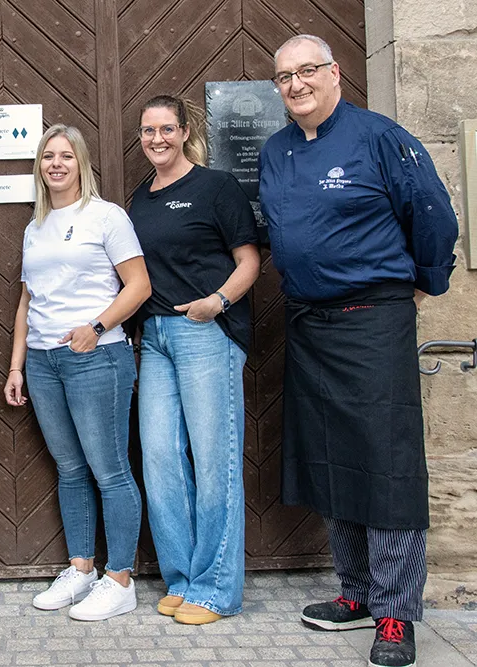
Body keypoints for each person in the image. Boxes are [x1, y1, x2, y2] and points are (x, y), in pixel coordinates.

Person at [259, 34, 457, 667]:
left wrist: (423, 283)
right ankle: (356, 594)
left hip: (374, 321)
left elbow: (433, 215)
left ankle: (396, 614)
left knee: (386, 465)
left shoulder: (381, 137)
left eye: (306, 71)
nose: (295, 84)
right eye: (284, 77)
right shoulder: (276, 151)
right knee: (329, 459)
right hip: (308, 324)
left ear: (335, 73)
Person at [3, 124, 151, 621]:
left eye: (66, 155)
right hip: (44, 362)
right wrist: (17, 365)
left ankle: (120, 579)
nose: (56, 164)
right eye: (48, 156)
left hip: (96, 356)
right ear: (39, 166)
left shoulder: (106, 216)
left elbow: (139, 286)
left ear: (81, 162)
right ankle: (82, 569)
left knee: (109, 470)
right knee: (70, 469)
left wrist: (96, 325)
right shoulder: (35, 225)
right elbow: (27, 301)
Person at [128, 95, 261, 625]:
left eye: (165, 129)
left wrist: (217, 302)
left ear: (184, 132)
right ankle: (183, 579)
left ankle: (218, 589)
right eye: (147, 131)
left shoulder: (216, 187)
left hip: (206, 332)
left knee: (215, 462)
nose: (156, 139)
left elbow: (249, 261)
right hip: (155, 338)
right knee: (161, 461)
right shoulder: (139, 199)